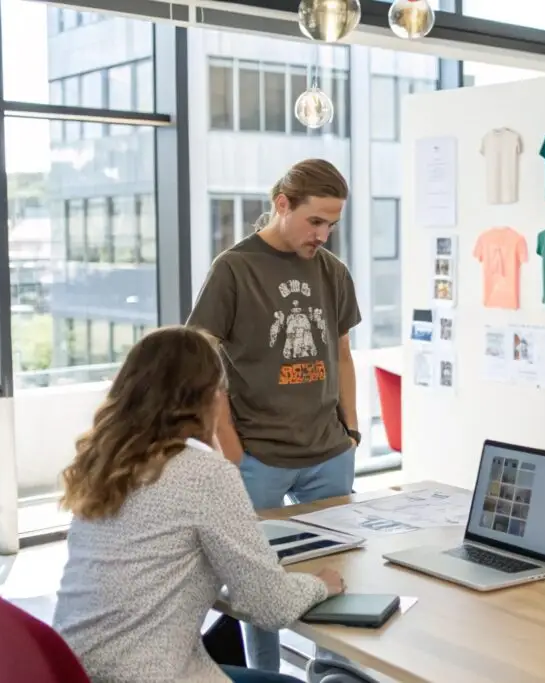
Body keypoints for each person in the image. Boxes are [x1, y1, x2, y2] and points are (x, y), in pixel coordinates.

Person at [52, 326, 344, 683]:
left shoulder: (105, 464)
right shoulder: (203, 473)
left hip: (78, 670)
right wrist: (320, 584)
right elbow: (271, 606)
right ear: (209, 398)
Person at [187, 159, 364, 677]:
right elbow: (201, 361)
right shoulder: (234, 269)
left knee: (339, 572)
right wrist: (232, 446)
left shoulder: (333, 271)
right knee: (258, 579)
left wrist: (351, 430)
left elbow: (344, 353)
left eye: (332, 223)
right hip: (259, 456)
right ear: (282, 205)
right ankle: (267, 676)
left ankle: (331, 672)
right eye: (315, 221)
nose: (324, 234)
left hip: (329, 453)